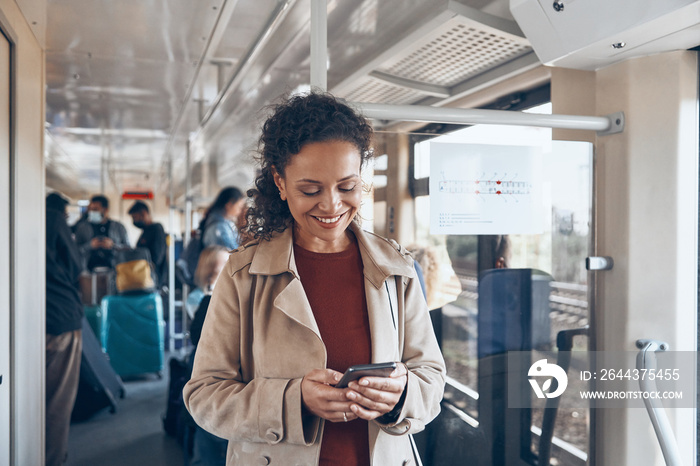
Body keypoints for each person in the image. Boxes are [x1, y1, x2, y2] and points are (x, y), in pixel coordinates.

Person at [184, 93, 446, 465]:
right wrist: (294, 401)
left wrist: (401, 396)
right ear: (280, 182)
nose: (332, 206)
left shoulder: (396, 269)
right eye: (311, 190)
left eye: (347, 187)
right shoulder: (244, 274)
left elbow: (432, 379)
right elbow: (204, 395)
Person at [45, 192, 84, 466]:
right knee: (57, 401)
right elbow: (74, 267)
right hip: (60, 317)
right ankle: (51, 459)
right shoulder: (54, 220)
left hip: (29, 322)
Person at [186, 245, 230, 466]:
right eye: (223, 265)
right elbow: (199, 337)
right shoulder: (199, 298)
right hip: (206, 364)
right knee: (209, 422)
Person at [74, 194, 129, 271]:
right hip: (88, 272)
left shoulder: (119, 227)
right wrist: (89, 245)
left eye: (95, 209)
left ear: (106, 210)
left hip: (115, 271)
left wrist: (113, 246)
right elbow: (75, 250)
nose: (91, 212)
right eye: (90, 209)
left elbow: (128, 249)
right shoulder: (82, 228)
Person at [127, 200, 168, 287]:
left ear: (143, 213)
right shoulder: (146, 231)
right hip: (144, 276)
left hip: (152, 278)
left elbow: (157, 257)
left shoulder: (156, 229)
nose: (134, 221)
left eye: (134, 217)